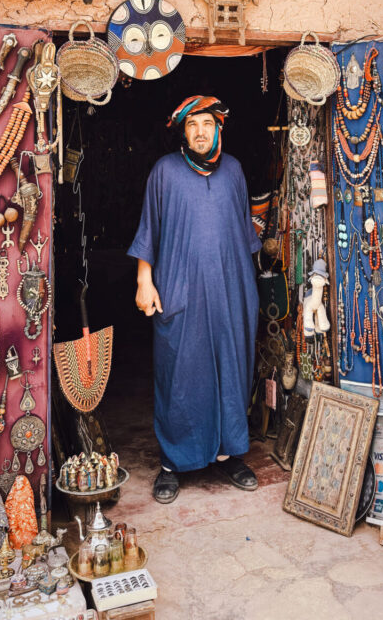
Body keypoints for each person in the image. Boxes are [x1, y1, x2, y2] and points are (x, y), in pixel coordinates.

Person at [128, 95, 261, 503]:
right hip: (180, 288)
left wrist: (250, 290)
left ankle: (230, 454)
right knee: (181, 374)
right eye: (192, 125)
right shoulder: (165, 172)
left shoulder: (233, 170)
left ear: (219, 128)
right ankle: (173, 463)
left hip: (231, 289)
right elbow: (149, 230)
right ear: (183, 132)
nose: (200, 132)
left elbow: (245, 234)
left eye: (207, 124)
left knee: (232, 370)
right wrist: (144, 281)